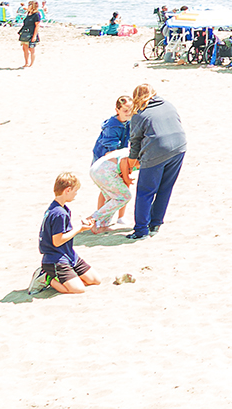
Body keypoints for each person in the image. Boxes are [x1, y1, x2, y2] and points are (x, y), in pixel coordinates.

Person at [124, 83, 186, 240]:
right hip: (179, 147)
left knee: (145, 192)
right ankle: (155, 224)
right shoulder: (168, 105)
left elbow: (135, 141)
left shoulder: (139, 113)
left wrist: (131, 162)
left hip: (157, 151)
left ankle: (141, 231)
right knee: (165, 188)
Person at [39, 171, 101, 294]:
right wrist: (79, 229)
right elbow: (57, 241)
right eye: (75, 191)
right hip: (55, 259)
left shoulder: (62, 208)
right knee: (78, 289)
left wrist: (82, 225)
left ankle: (67, 278)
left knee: (95, 280)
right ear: (67, 190)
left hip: (69, 254)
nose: (76, 194)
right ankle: (46, 278)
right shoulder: (58, 213)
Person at [88, 95, 134, 232]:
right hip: (105, 160)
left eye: (130, 110)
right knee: (107, 190)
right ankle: (100, 219)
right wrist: (121, 164)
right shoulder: (111, 126)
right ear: (117, 110)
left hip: (120, 157)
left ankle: (121, 216)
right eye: (125, 110)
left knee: (124, 184)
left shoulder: (129, 122)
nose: (128, 113)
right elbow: (111, 149)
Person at [17, 1, 41, 68]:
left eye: (29, 5)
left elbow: (37, 25)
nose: (28, 6)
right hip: (25, 32)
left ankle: (31, 64)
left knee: (31, 49)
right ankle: (26, 63)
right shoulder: (28, 13)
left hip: (31, 33)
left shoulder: (36, 14)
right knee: (24, 48)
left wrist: (34, 36)